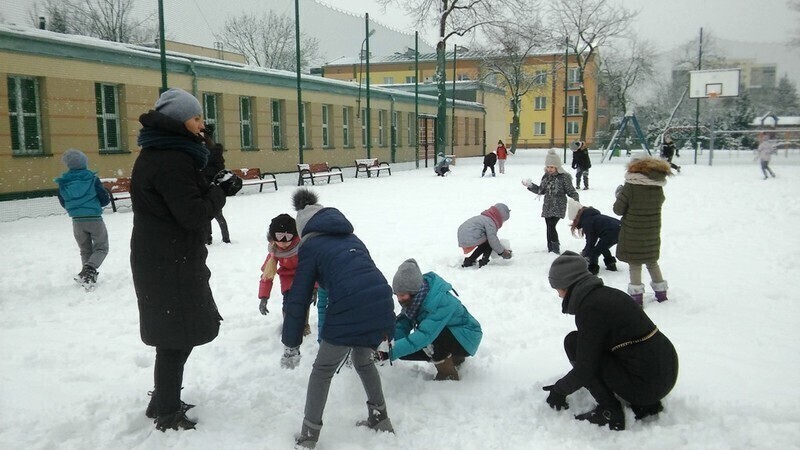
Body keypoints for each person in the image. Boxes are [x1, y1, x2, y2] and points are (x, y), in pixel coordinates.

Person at [131, 88, 240, 432]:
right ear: (180, 121)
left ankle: (163, 399)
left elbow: (184, 197)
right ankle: (167, 412)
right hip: (169, 260)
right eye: (195, 118)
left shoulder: (167, 152)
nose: (201, 123)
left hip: (167, 256)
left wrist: (214, 183)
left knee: (176, 335)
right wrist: (219, 193)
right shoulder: (171, 158)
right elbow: (192, 214)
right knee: (175, 338)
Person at [281, 188, 396, 449]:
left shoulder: (311, 246)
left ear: (303, 230)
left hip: (351, 304)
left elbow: (298, 297)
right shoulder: (350, 237)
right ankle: (380, 418)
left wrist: (291, 344)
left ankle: (308, 438)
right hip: (381, 301)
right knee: (362, 360)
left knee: (322, 370)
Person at [542, 251, 679, 431]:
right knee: (586, 346)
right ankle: (646, 403)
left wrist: (559, 391)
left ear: (568, 285)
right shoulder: (607, 295)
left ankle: (610, 411)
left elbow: (585, 368)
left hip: (646, 385)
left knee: (573, 343)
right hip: (664, 373)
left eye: (558, 288)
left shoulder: (590, 309)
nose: (559, 295)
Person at [383, 258, 483, 381]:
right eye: (397, 295)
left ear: (414, 291)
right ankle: (455, 358)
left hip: (468, 337)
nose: (399, 299)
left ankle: (448, 376)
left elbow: (425, 336)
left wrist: (389, 353)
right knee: (407, 349)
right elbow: (404, 321)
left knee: (431, 343)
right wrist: (390, 343)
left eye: (402, 295)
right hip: (453, 333)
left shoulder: (439, 302)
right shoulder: (417, 298)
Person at [613, 156, 672, 306]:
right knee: (652, 262)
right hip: (652, 232)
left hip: (633, 232)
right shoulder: (657, 187)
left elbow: (618, 210)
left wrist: (620, 195)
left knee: (635, 264)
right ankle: (661, 293)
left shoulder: (630, 187)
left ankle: (636, 298)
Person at [54, 148, 111, 291]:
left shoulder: (64, 182)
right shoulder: (91, 179)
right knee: (101, 247)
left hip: (77, 221)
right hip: (94, 219)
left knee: (85, 250)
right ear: (85, 162)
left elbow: (63, 201)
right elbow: (104, 199)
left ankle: (87, 277)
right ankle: (90, 269)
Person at [258, 213, 313, 336]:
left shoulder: (302, 247)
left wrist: (315, 287)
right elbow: (267, 275)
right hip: (287, 278)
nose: (283, 242)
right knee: (288, 303)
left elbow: (313, 266)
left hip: (304, 276)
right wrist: (264, 297)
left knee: (303, 302)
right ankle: (289, 325)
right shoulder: (274, 251)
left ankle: (304, 324)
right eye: (279, 236)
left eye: (287, 237)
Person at [521, 149, 580, 254]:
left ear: (557, 166)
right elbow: (541, 191)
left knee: (552, 226)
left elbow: (572, 192)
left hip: (559, 205)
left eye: (552, 167)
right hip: (547, 205)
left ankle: (555, 248)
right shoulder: (546, 176)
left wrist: (576, 203)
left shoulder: (564, 177)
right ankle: (550, 248)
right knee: (548, 226)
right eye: (548, 167)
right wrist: (530, 185)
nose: (549, 169)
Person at [567, 198, 619, 275]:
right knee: (602, 247)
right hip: (620, 229)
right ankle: (610, 264)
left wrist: (585, 253)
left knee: (594, 253)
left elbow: (591, 242)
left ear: (577, 216)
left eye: (574, 220)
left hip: (612, 233)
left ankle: (592, 269)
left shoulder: (588, 221)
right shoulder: (590, 217)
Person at [201, 124, 231, 244]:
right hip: (203, 185)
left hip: (212, 186)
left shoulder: (215, 151)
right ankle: (208, 238)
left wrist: (204, 171)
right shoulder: (202, 150)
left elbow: (219, 169)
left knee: (217, 214)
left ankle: (225, 238)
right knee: (206, 214)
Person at [457, 203, 512, 268]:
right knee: (490, 242)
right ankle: (484, 261)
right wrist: (503, 252)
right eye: (503, 220)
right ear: (500, 217)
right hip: (469, 235)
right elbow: (493, 240)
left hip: (463, 235)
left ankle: (470, 260)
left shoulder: (485, 218)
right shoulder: (490, 222)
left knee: (485, 243)